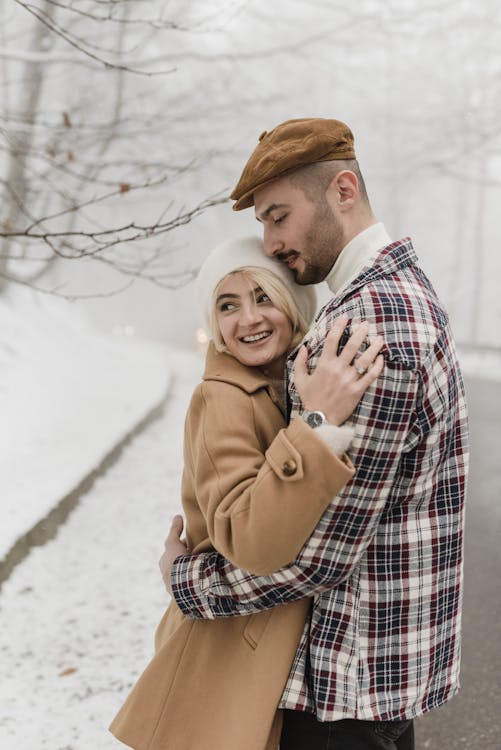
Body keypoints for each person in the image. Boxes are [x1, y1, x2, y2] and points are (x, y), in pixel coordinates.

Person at [162, 118, 469, 750]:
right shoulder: (378, 297)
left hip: (348, 685)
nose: (270, 243)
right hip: (362, 678)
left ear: (344, 190)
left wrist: (186, 583)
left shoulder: (372, 324)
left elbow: (318, 555)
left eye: (278, 216)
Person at [109, 235, 384, 750]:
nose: (248, 319)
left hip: (264, 640)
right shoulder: (222, 399)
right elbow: (251, 540)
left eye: (263, 297)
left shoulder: (285, 384)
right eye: (227, 305)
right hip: (228, 649)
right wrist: (318, 425)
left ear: (293, 303)